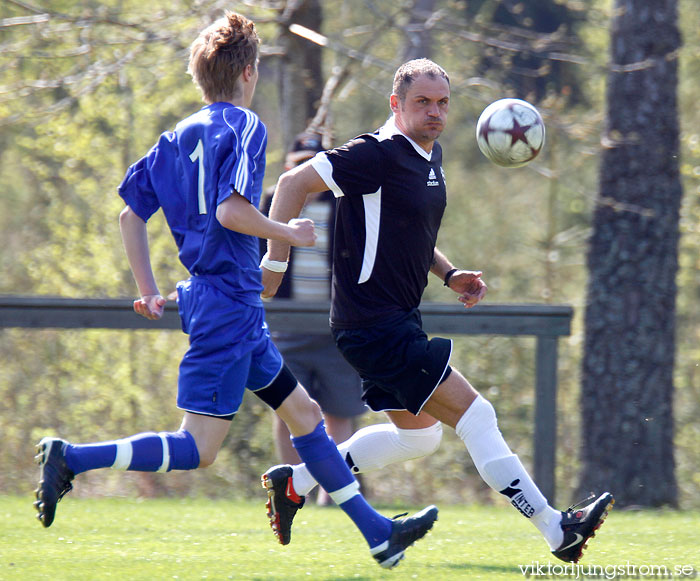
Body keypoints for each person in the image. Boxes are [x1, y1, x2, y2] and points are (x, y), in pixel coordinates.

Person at [32, 14, 438, 570]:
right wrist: (286, 233)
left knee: (305, 414)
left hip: (219, 299)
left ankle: (377, 534)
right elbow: (231, 210)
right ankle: (72, 458)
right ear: (249, 73)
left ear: (202, 76)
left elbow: (131, 215)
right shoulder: (244, 127)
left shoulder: (175, 136)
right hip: (228, 303)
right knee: (198, 450)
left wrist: (147, 290)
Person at [260, 58, 613, 565]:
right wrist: (275, 262)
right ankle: (558, 530)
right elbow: (292, 184)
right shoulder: (374, 154)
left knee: (419, 437)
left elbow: (409, 235)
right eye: (422, 102)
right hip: (374, 325)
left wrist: (449, 275)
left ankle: (296, 481)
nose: (434, 112)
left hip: (390, 321)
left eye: (442, 102)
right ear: (396, 104)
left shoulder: (428, 155)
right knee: (477, 415)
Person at [260, 132, 367, 506]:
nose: (303, 171)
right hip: (287, 327)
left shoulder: (347, 206)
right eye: (296, 163)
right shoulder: (272, 204)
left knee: (341, 409)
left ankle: (335, 492)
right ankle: (289, 490)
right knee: (288, 410)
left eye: (312, 163)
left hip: (338, 327)